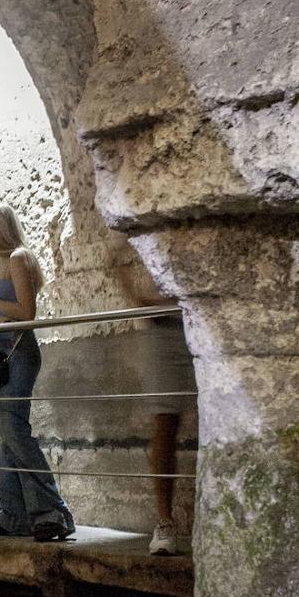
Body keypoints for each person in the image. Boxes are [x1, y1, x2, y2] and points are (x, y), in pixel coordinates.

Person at [0, 204, 74, 541]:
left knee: (15, 432)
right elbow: (7, 310)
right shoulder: (3, 261)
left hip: (18, 352)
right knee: (8, 435)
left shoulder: (18, 257)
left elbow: (26, 312)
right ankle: (14, 514)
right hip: (1, 352)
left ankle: (53, 510)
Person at [113, 232, 196, 556]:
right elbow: (121, 265)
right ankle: (164, 521)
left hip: (195, 318)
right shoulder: (146, 235)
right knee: (165, 422)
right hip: (164, 329)